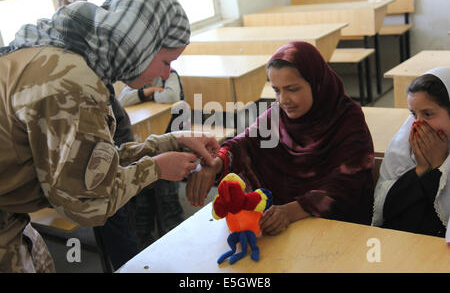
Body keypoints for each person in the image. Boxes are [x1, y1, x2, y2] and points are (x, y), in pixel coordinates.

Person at [0, 0, 219, 273]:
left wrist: (170, 142)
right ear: (141, 45)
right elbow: (86, 202)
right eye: (166, 62)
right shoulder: (72, 82)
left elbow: (89, 168)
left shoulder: (63, 55)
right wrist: (155, 169)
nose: (166, 75)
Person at [186, 41, 375, 235]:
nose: (283, 99)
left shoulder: (347, 119)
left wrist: (291, 211)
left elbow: (347, 185)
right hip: (280, 225)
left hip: (337, 227)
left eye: (292, 89)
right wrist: (216, 163)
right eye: (276, 90)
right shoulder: (278, 116)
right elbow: (244, 142)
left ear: (317, 83)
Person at [54, 0, 140, 271]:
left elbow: (115, 120)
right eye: (65, 3)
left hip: (109, 155)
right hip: (88, 167)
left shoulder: (96, 65)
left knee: (117, 227)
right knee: (103, 226)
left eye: (75, 2)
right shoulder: (65, 65)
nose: (70, 9)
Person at [372, 67, 450, 237]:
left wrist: (438, 165)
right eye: (413, 114)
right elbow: (390, 212)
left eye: (428, 114)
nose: (417, 124)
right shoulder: (406, 150)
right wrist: (421, 169)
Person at [118, 69, 187, 249]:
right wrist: (147, 92)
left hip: (169, 146)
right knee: (141, 205)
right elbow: (122, 100)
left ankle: (175, 243)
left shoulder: (168, 73)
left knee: (168, 200)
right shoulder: (135, 75)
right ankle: (145, 248)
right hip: (141, 149)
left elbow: (170, 96)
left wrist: (141, 96)